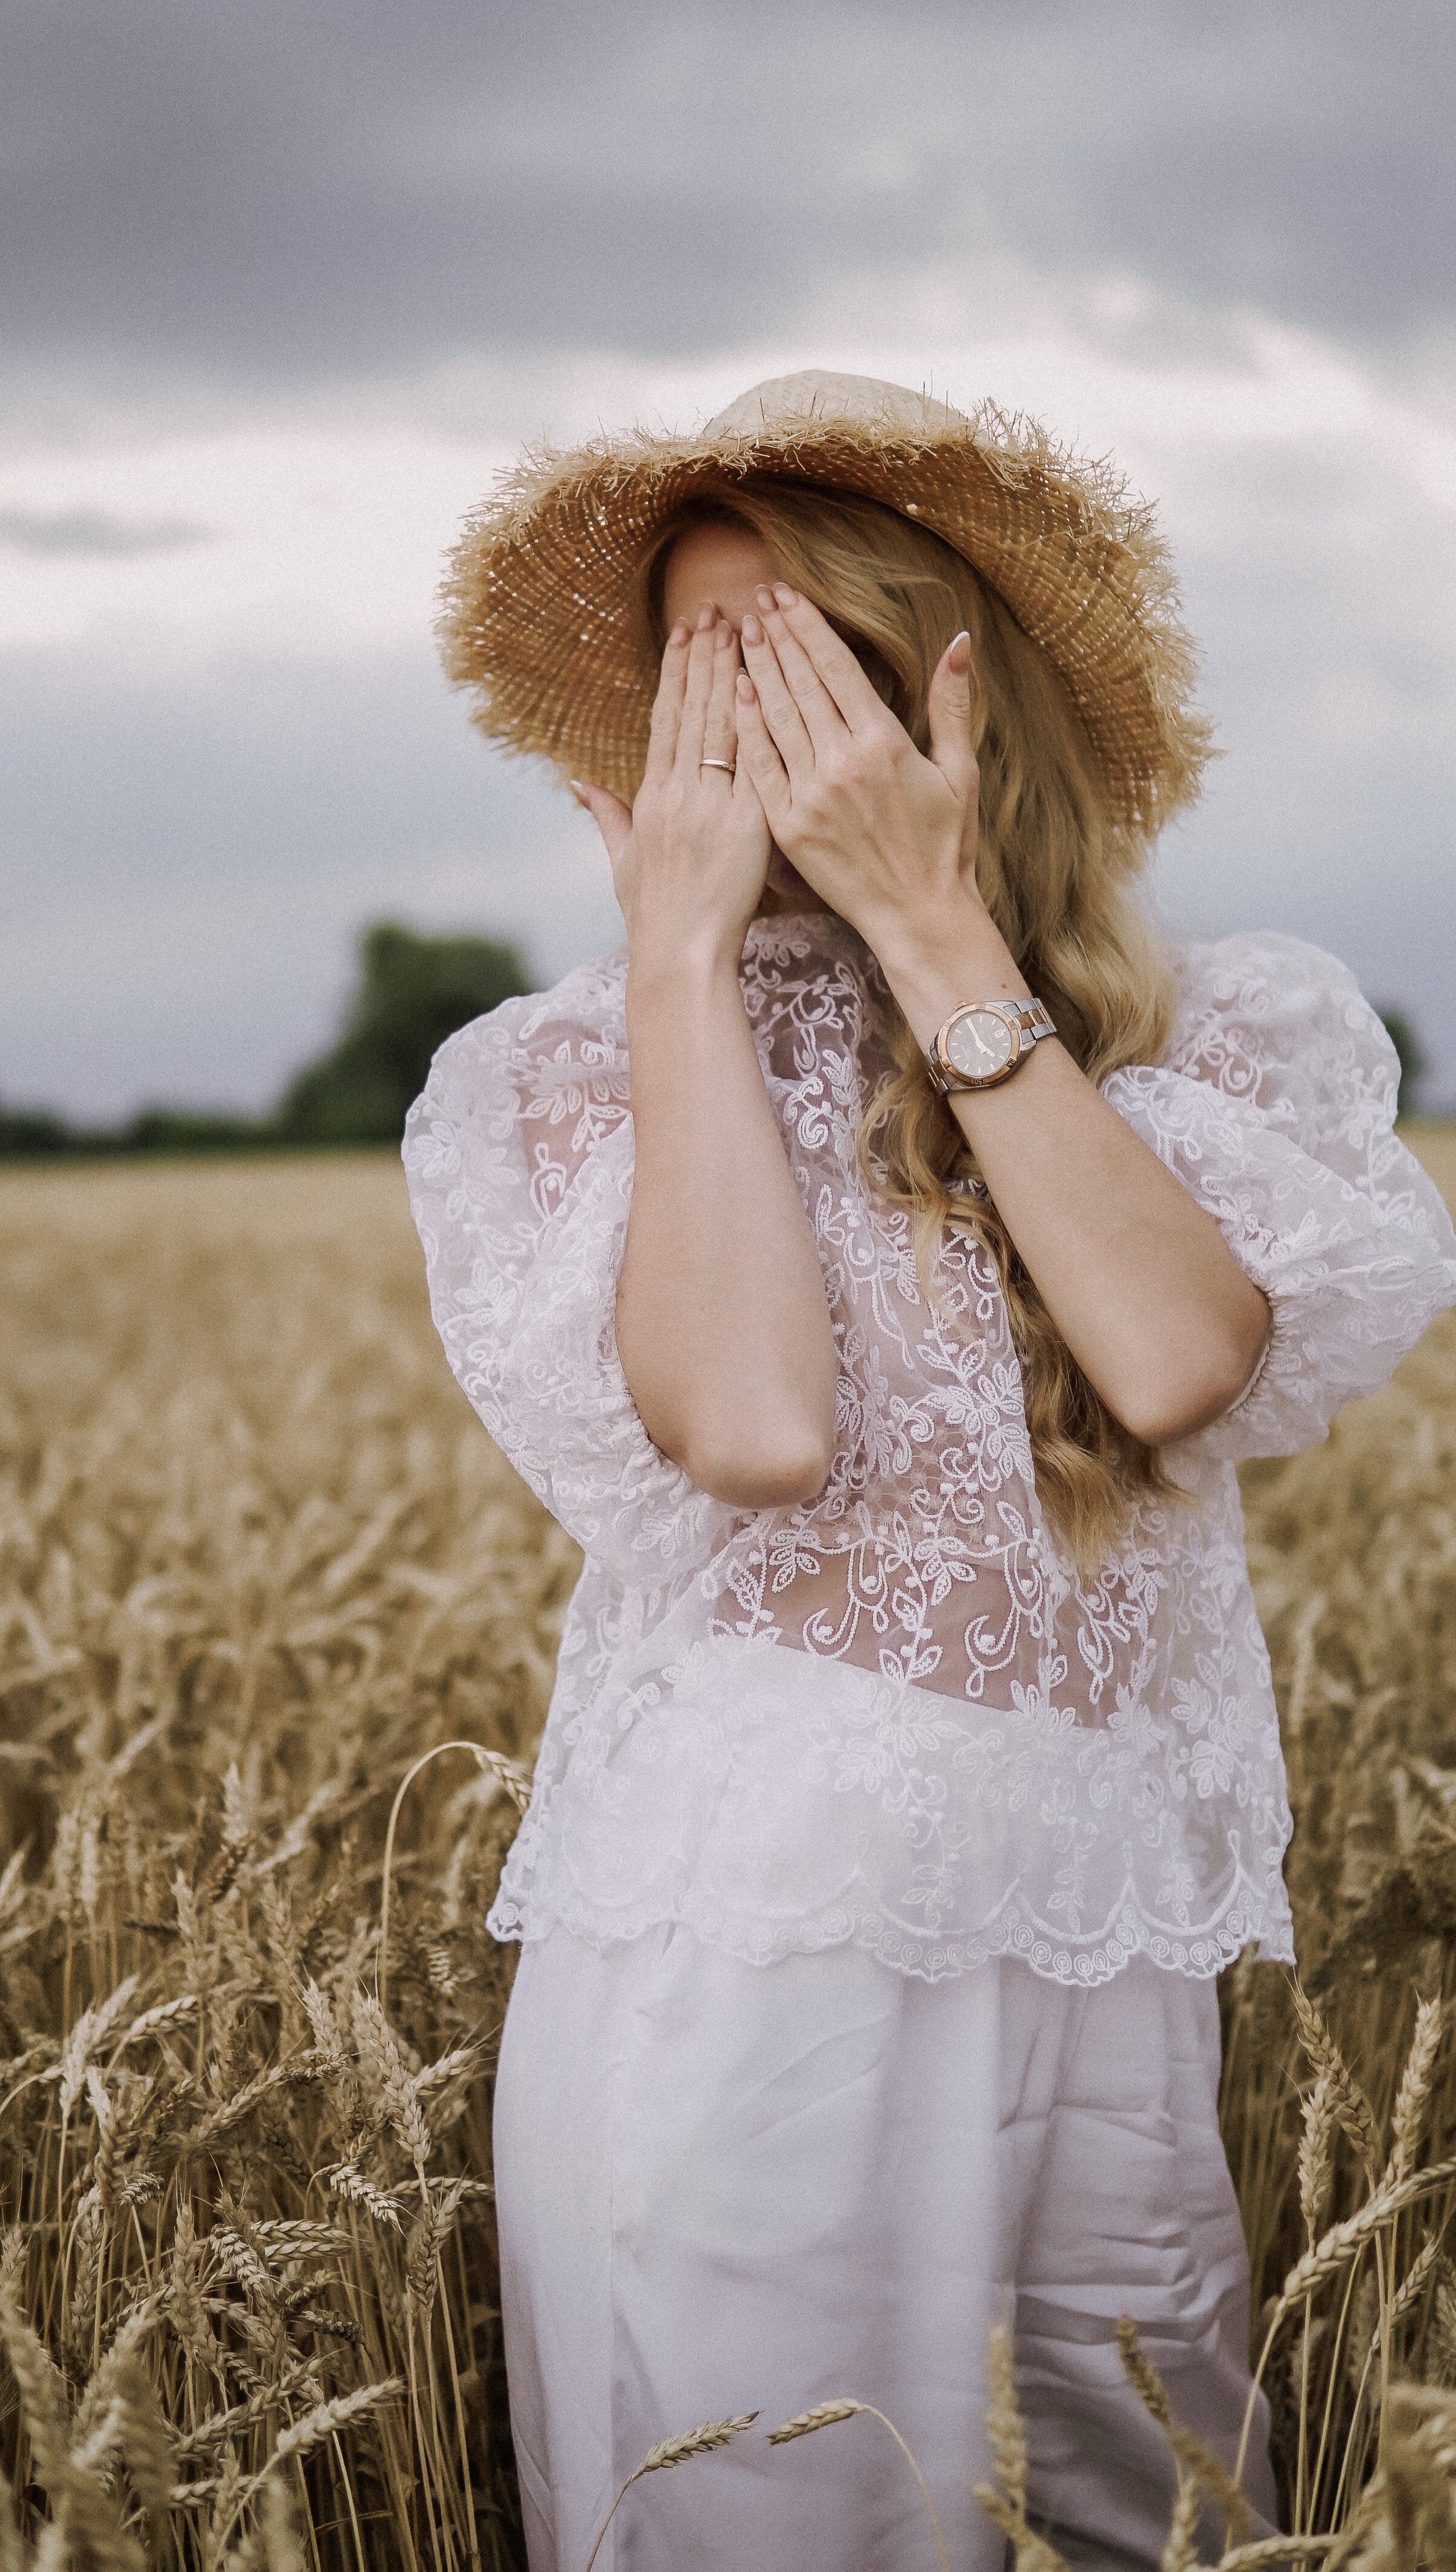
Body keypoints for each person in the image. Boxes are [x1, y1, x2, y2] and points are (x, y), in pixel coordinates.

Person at [404, 373, 1456, 2571]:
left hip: (1095, 1957)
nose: (751, 740)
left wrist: (936, 932)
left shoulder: (1213, 1038)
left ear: (949, 691)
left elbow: (1172, 1360)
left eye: (801, 673)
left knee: (1135, 2524)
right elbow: (761, 1432)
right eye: (705, 679)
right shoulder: (580, 1079)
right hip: (757, 1963)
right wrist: (683, 958)